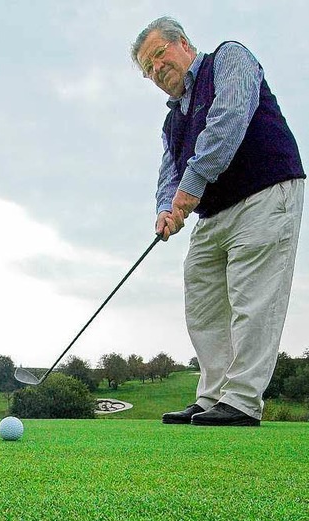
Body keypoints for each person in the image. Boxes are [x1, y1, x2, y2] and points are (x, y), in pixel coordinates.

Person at [132, 17, 305, 426]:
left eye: (159, 55)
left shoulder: (230, 58)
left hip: (265, 190)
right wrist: (165, 209)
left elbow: (228, 120)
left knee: (252, 300)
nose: (157, 70)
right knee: (204, 305)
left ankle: (243, 401)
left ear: (184, 44)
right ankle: (212, 398)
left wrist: (188, 191)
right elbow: (168, 172)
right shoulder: (172, 120)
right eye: (148, 69)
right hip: (213, 211)